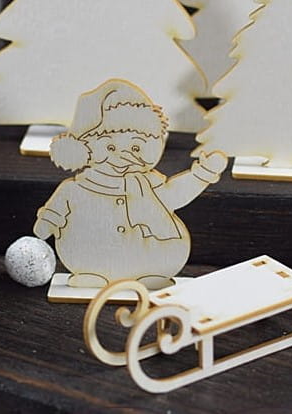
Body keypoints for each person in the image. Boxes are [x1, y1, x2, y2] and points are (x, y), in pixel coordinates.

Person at [33, 79, 227, 289]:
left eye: (135, 148)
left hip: (149, 258)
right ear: (83, 148)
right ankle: (91, 275)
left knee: (158, 260)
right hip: (88, 255)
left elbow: (174, 195)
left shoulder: (148, 183)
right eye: (109, 147)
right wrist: (47, 224)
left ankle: (152, 274)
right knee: (87, 260)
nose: (122, 156)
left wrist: (200, 175)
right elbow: (54, 212)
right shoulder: (74, 189)